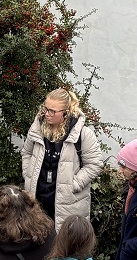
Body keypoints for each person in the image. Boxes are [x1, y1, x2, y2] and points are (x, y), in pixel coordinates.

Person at [21, 88, 105, 225]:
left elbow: (94, 164)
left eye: (52, 111)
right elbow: (27, 153)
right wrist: (28, 175)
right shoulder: (37, 128)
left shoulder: (83, 134)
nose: (46, 114)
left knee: (63, 238)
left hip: (68, 205)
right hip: (37, 201)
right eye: (45, 108)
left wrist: (73, 185)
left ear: (66, 113)